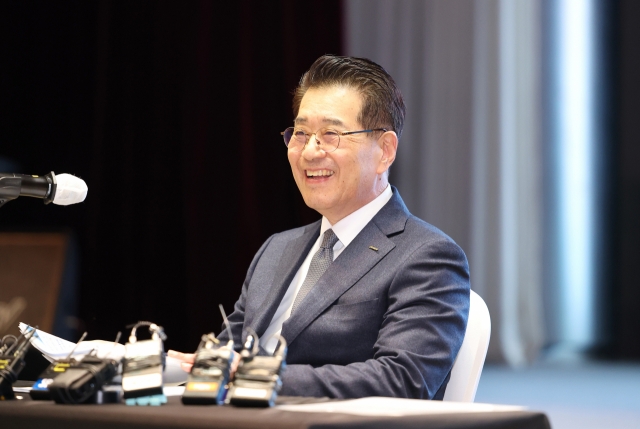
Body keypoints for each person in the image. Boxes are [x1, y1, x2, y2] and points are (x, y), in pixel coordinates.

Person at [169, 55, 470, 400]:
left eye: (330, 134)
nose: (310, 151)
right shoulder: (277, 249)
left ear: (385, 151)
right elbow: (227, 355)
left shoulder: (428, 256)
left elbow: (402, 380)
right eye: (300, 133)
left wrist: (259, 376)